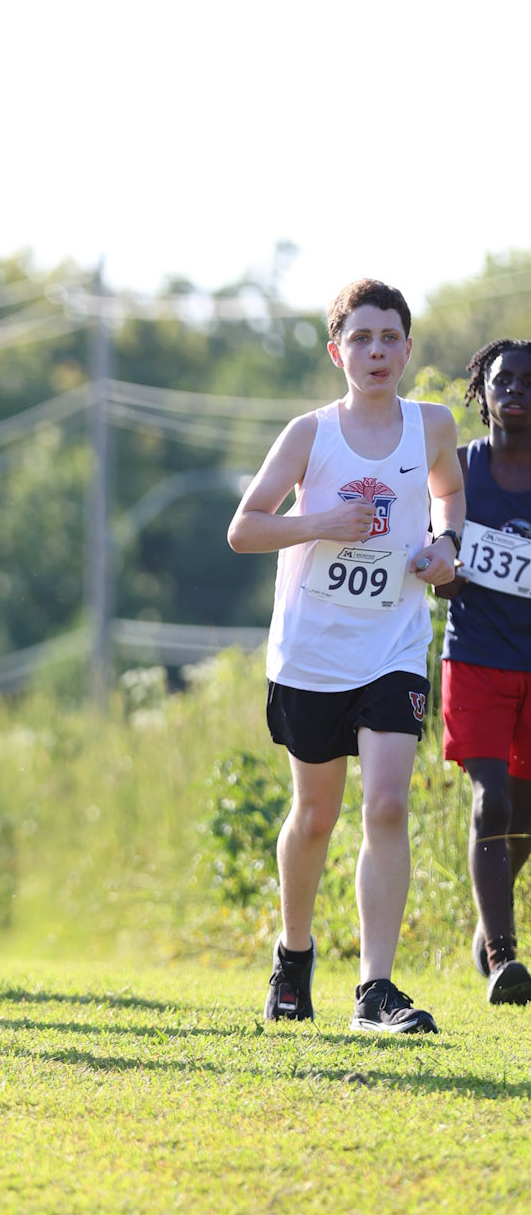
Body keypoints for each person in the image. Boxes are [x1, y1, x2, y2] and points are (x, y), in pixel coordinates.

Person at [228, 279, 464, 1033]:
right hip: (310, 653)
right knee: (314, 815)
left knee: (387, 803)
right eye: (360, 340)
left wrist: (443, 544)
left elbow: (448, 492)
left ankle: (375, 991)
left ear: (405, 348)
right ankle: (293, 957)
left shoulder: (430, 425)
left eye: (388, 338)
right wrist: (320, 521)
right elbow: (243, 528)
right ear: (337, 353)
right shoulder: (308, 434)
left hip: (392, 644)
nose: (375, 352)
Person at [429, 340, 531, 1004]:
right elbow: (428, 541)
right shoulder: (459, 470)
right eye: (503, 380)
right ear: (482, 391)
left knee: (524, 811)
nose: (515, 389)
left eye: (528, 380)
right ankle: (502, 957)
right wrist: (441, 567)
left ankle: (485, 921)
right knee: (490, 800)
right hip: (475, 657)